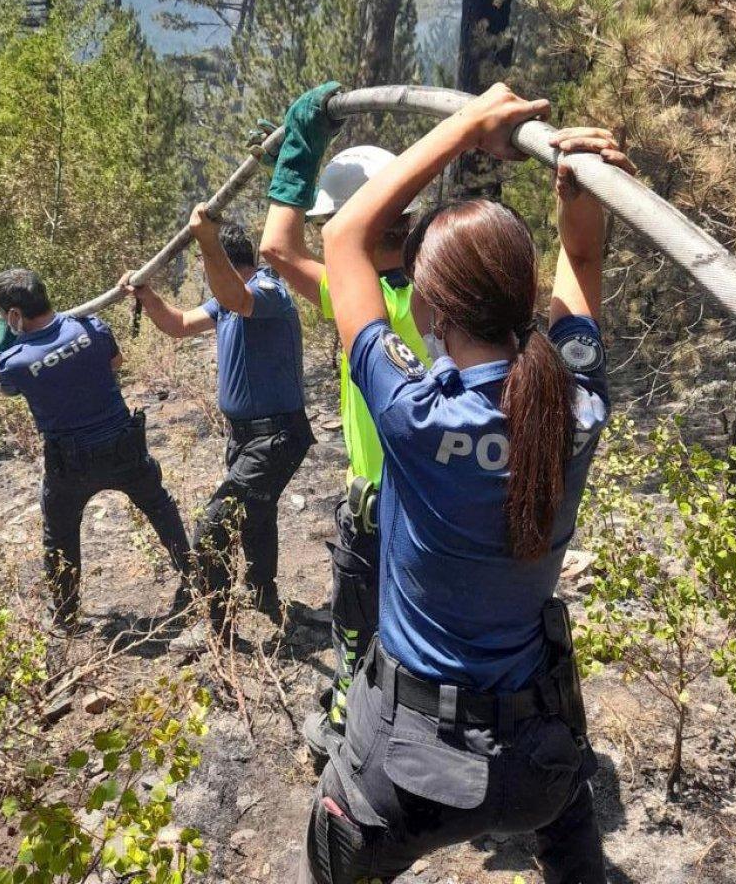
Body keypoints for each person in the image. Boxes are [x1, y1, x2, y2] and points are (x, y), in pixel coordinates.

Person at [297, 83, 636, 884]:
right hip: (538, 762)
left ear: (432, 313)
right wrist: (575, 188)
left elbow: (344, 236)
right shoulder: (577, 405)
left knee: (335, 861)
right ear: (523, 297)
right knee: (571, 835)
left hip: (403, 770)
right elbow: (583, 261)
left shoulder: (412, 415)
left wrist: (464, 128)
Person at [258, 83, 429, 755]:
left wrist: (300, 144)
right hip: (436, 500)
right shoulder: (442, 292)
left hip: (376, 500)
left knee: (356, 625)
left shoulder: (355, 300)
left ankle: (348, 735)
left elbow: (276, 246)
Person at [121, 205, 314, 628]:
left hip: (276, 436)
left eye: (212, 262)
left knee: (214, 526)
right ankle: (264, 594)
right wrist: (148, 297)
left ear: (228, 262)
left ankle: (217, 626)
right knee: (255, 514)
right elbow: (179, 324)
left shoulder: (267, 291)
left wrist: (206, 239)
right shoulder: (227, 300)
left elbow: (234, 296)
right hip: (245, 437)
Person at [0, 268, 191, 632]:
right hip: (122, 446)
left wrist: (5, 338)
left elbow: (5, 388)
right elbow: (116, 363)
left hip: (70, 464)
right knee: (160, 508)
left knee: (60, 535)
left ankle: (66, 618)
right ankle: (196, 581)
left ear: (14, 316)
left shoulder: (15, 360)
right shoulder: (91, 327)